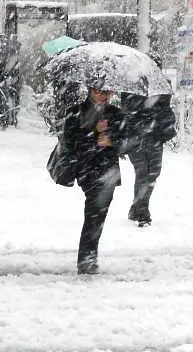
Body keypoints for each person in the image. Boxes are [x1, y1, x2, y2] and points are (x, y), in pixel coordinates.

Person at [61, 85, 124, 275]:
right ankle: (87, 258)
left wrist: (111, 139)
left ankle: (88, 256)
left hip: (108, 171)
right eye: (98, 91)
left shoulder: (115, 114)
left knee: (97, 216)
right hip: (87, 170)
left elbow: (126, 141)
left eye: (107, 92)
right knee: (94, 214)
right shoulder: (76, 112)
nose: (103, 96)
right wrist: (94, 133)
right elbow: (71, 143)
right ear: (90, 90)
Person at [121, 93, 177, 227]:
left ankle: (137, 207)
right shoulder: (132, 86)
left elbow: (167, 113)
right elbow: (126, 114)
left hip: (155, 138)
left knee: (153, 174)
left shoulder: (160, 89)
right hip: (136, 139)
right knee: (142, 173)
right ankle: (142, 212)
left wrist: (161, 123)